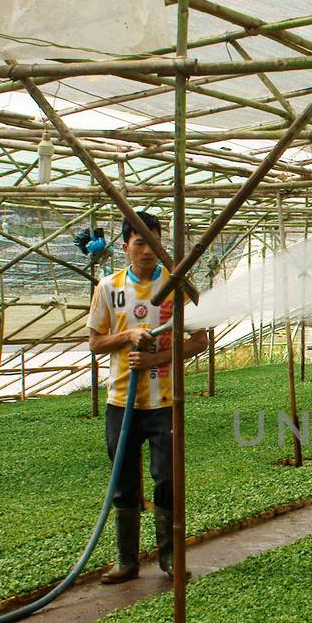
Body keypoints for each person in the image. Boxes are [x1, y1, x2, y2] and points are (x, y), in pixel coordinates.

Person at [87, 213, 210, 583]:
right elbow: (95, 342)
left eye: (153, 242)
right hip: (121, 401)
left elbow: (200, 341)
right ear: (125, 247)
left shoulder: (177, 288)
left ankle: (169, 557)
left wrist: (156, 357)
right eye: (138, 242)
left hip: (165, 401)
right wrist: (128, 336)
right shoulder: (108, 288)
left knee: (167, 479)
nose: (146, 250)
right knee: (123, 480)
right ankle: (126, 560)